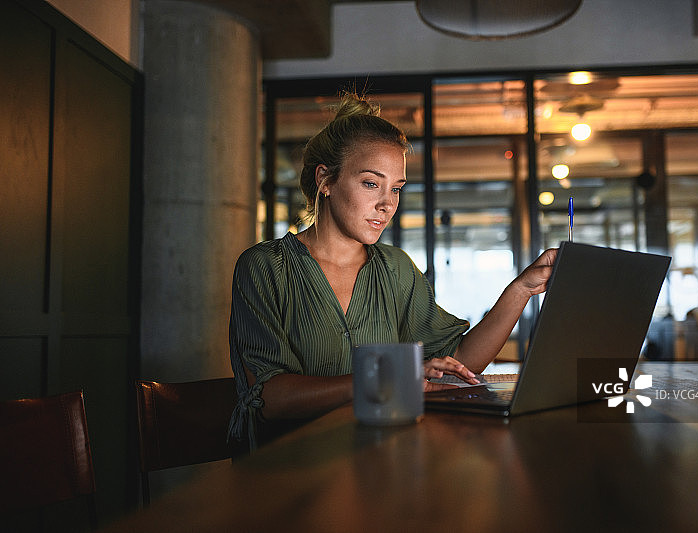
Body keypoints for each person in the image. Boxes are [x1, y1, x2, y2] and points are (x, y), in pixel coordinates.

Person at [228, 93, 557, 446]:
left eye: (396, 189)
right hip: (286, 472)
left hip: (378, 460)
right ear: (326, 180)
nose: (386, 205)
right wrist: (390, 378)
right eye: (371, 183)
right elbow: (269, 399)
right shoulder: (264, 267)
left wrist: (522, 288)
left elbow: (460, 361)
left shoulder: (396, 268)